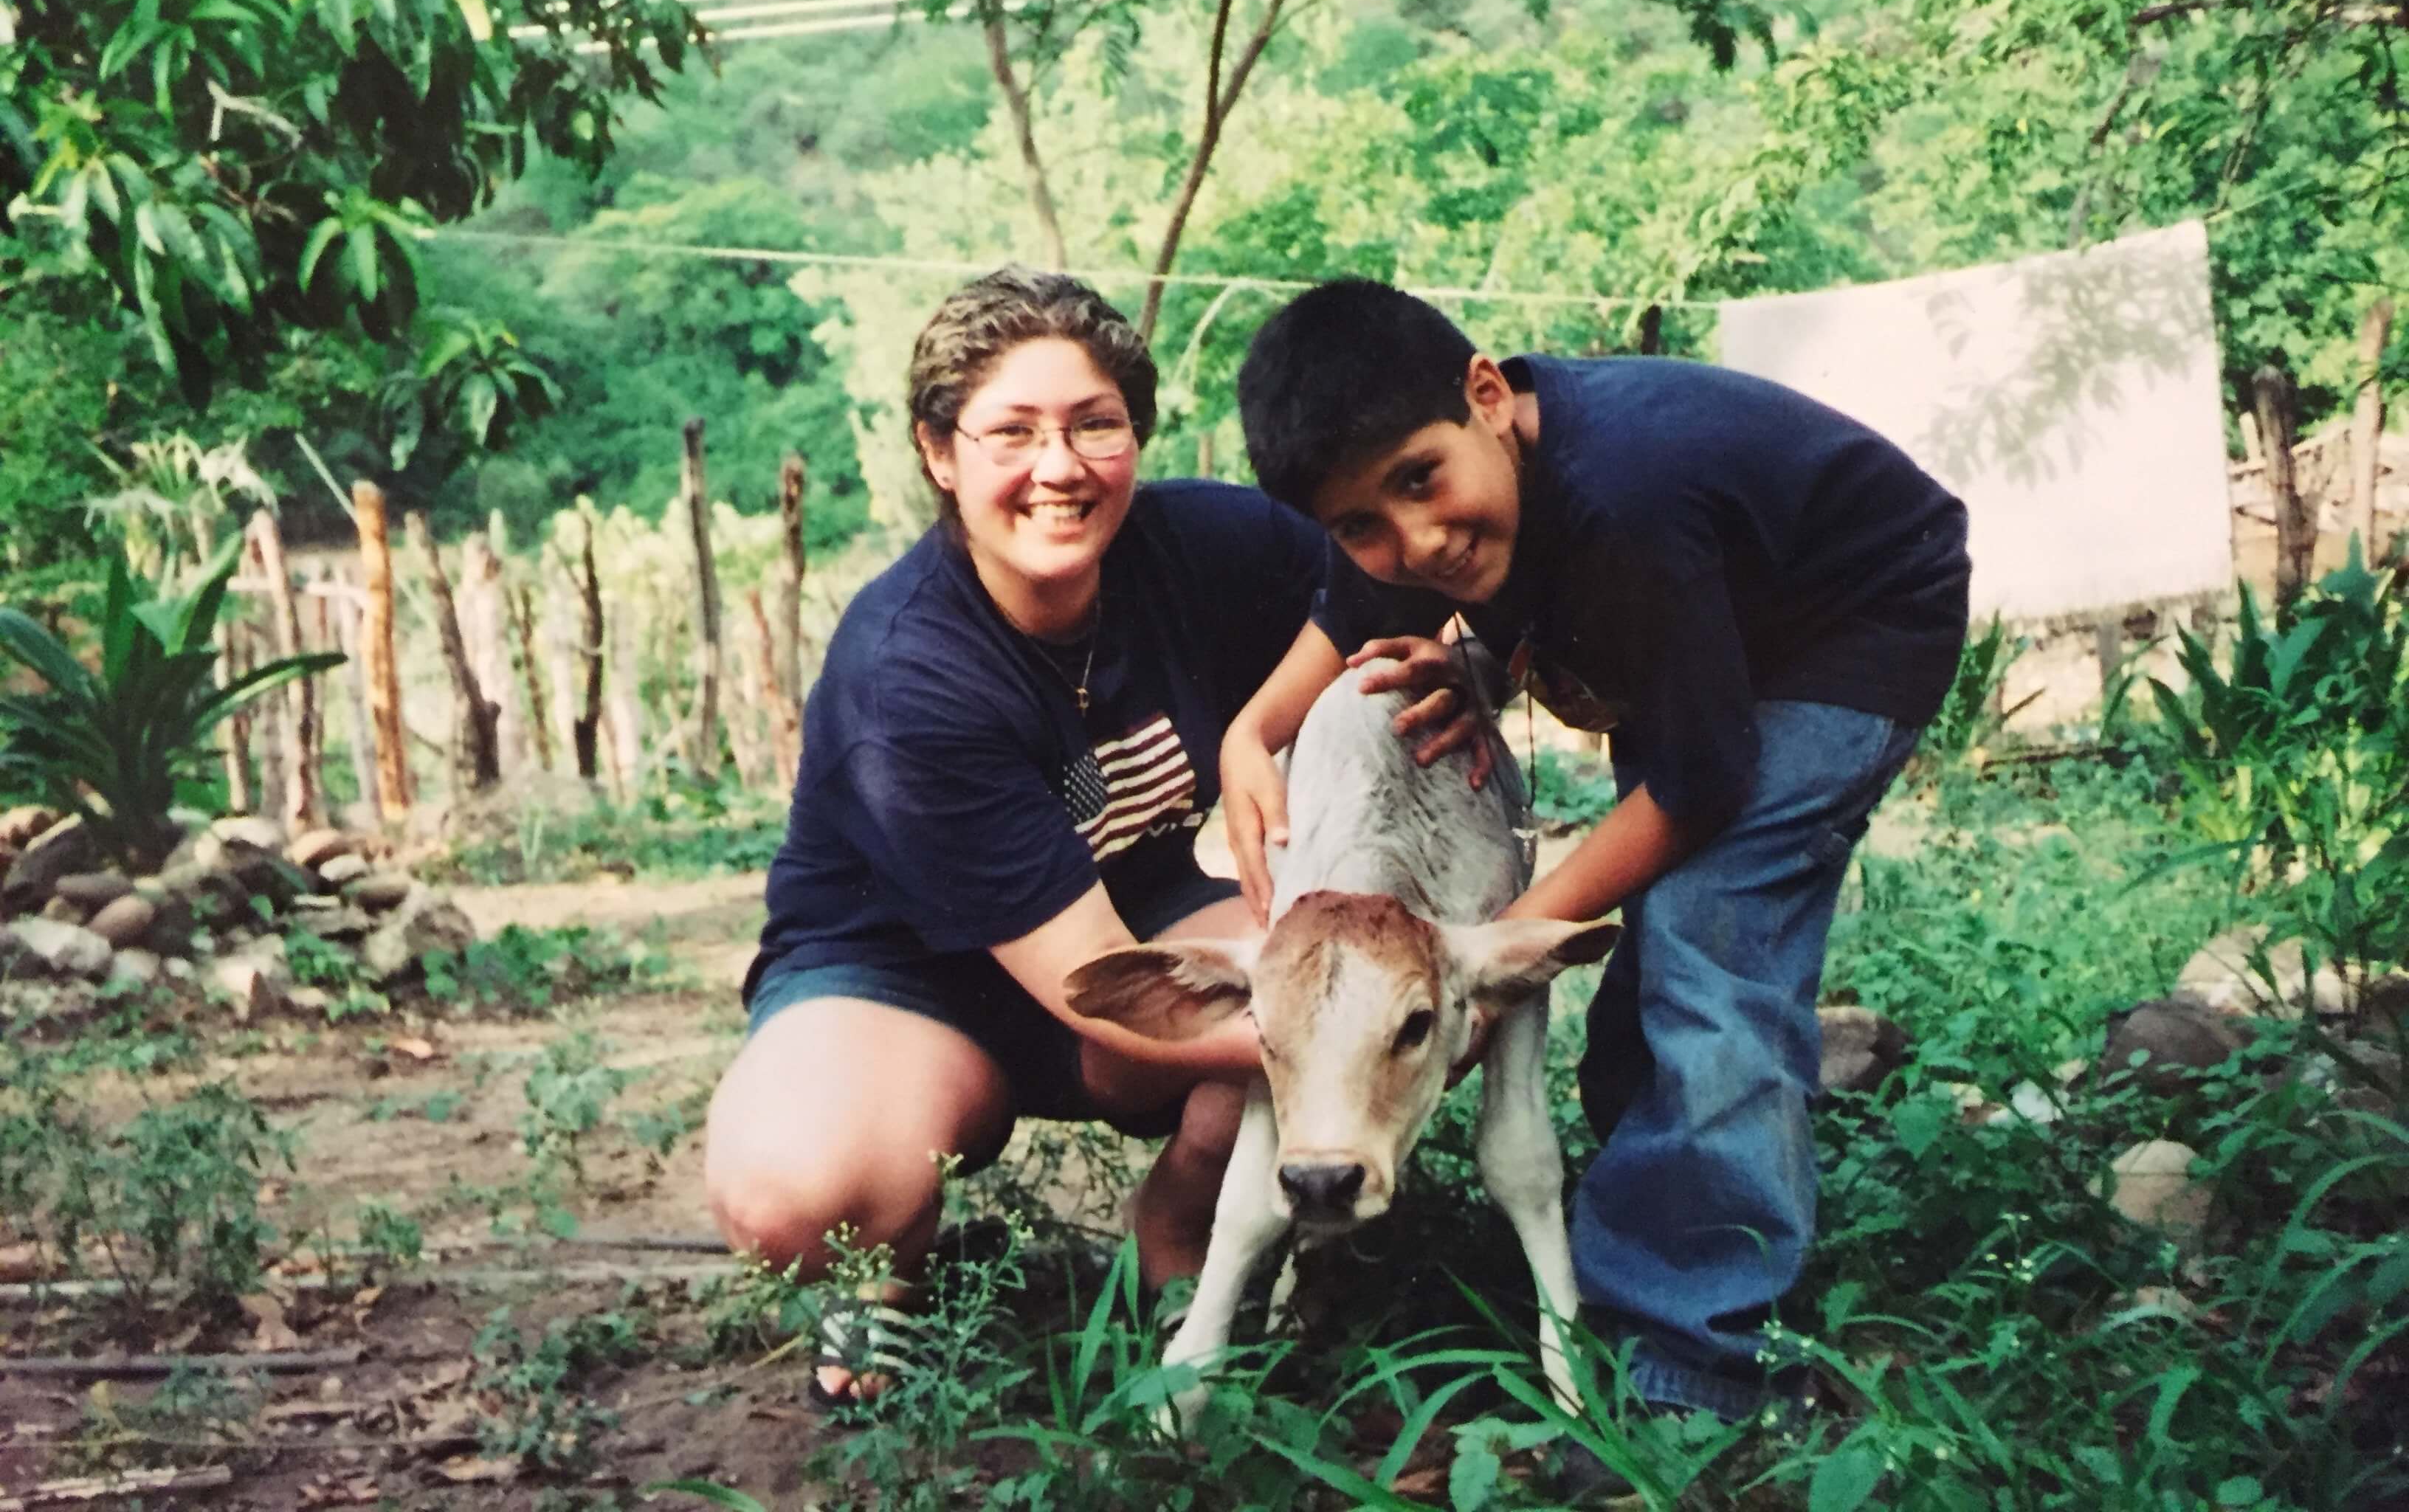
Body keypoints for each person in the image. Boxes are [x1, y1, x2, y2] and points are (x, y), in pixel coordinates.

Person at [1221, 278, 1969, 1427]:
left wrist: (1487, 959)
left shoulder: (1626, 494)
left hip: (1846, 632)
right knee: (1660, 934)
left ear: (1486, 394)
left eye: (1423, 482)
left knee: (1713, 951)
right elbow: (1350, 608)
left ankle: (1691, 1365)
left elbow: (1701, 782)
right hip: (1695, 647)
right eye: (1362, 521)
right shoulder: (1434, 486)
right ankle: (1665, 1187)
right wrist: (1254, 732)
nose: (1411, 540)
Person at [705, 269, 1326, 1405]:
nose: (1061, 467)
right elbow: (1099, 987)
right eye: (1012, 432)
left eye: (1097, 426)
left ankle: (1184, 1224)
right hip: (907, 985)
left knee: (1346, 952)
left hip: (1129, 922)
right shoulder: (911, 675)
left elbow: (1380, 583)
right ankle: (883, 1277)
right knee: (796, 1185)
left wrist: (1338, 695)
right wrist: (1363, 1031)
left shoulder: (1208, 545)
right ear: (940, 453)